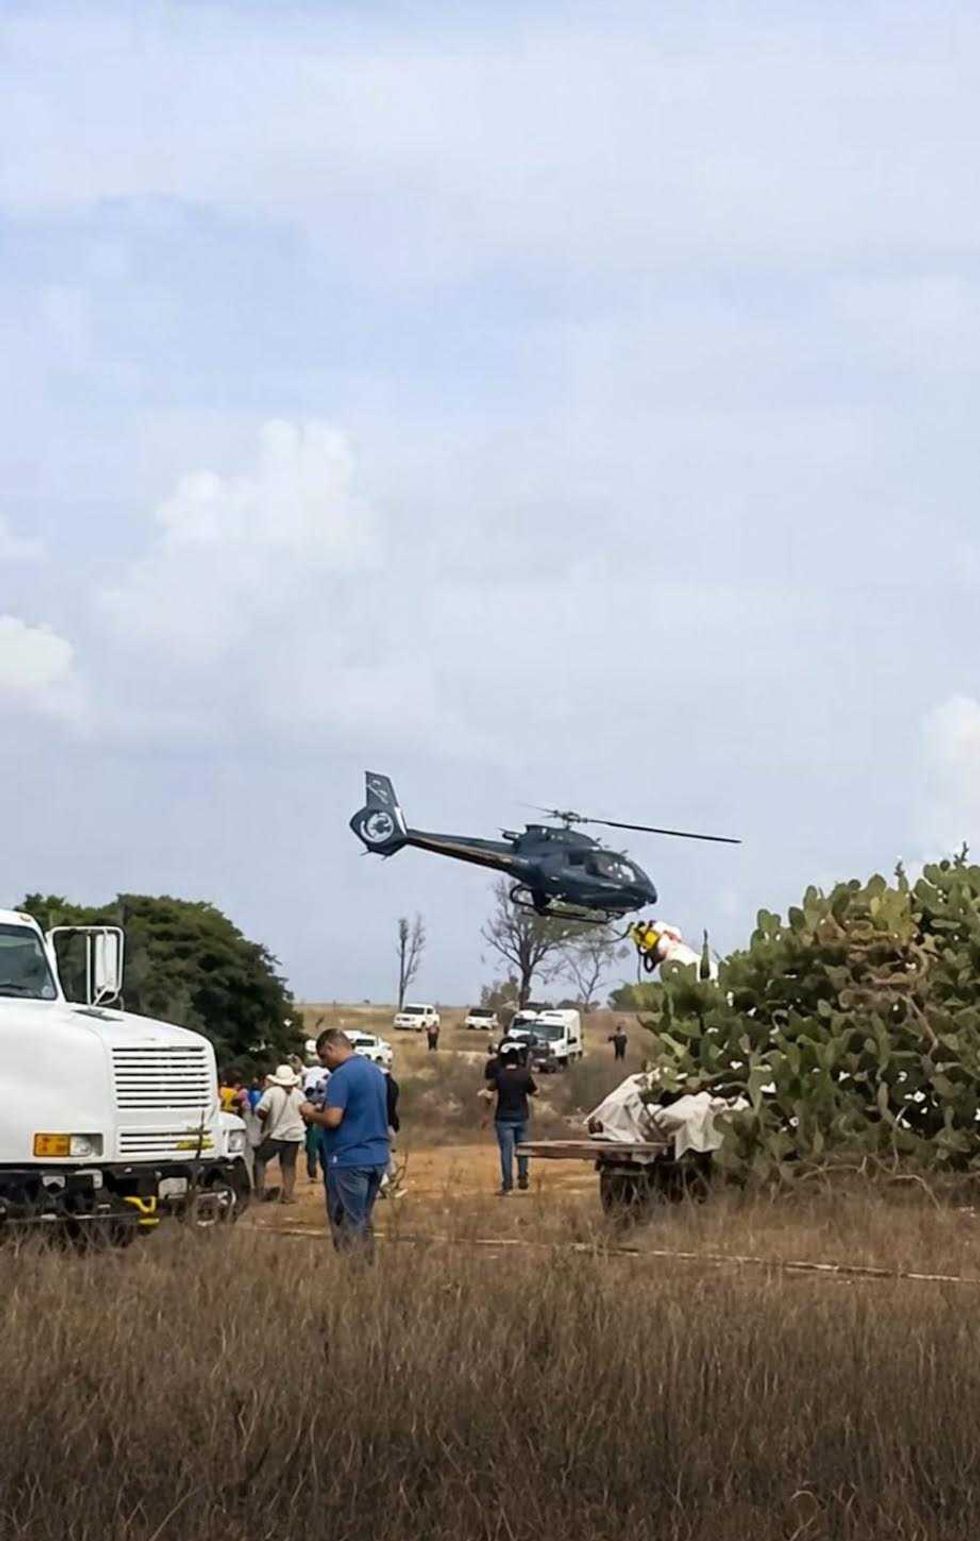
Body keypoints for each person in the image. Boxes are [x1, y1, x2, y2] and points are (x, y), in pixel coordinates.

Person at [301, 1028, 390, 1256]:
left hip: (349, 1158)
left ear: (331, 1047)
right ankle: (368, 1269)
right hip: (377, 1155)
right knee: (362, 1218)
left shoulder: (342, 1075)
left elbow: (332, 1119)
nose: (324, 1064)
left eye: (323, 1056)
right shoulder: (375, 1071)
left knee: (345, 1221)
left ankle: (351, 1272)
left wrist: (310, 1113)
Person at [483, 1042, 537, 1195]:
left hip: (503, 1118)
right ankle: (523, 1176)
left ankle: (507, 1184)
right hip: (521, 1117)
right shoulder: (524, 1074)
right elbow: (536, 1092)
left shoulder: (500, 1076)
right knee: (523, 1149)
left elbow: (488, 1093)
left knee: (506, 1151)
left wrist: (486, 1114)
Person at [254, 1064, 306, 1203]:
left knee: (260, 1160)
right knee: (289, 1164)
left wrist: (268, 1120)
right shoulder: (299, 1094)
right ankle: (288, 1195)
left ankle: (259, 1191)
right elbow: (305, 1112)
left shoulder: (272, 1092)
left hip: (276, 1134)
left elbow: (261, 1111)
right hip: (295, 1134)